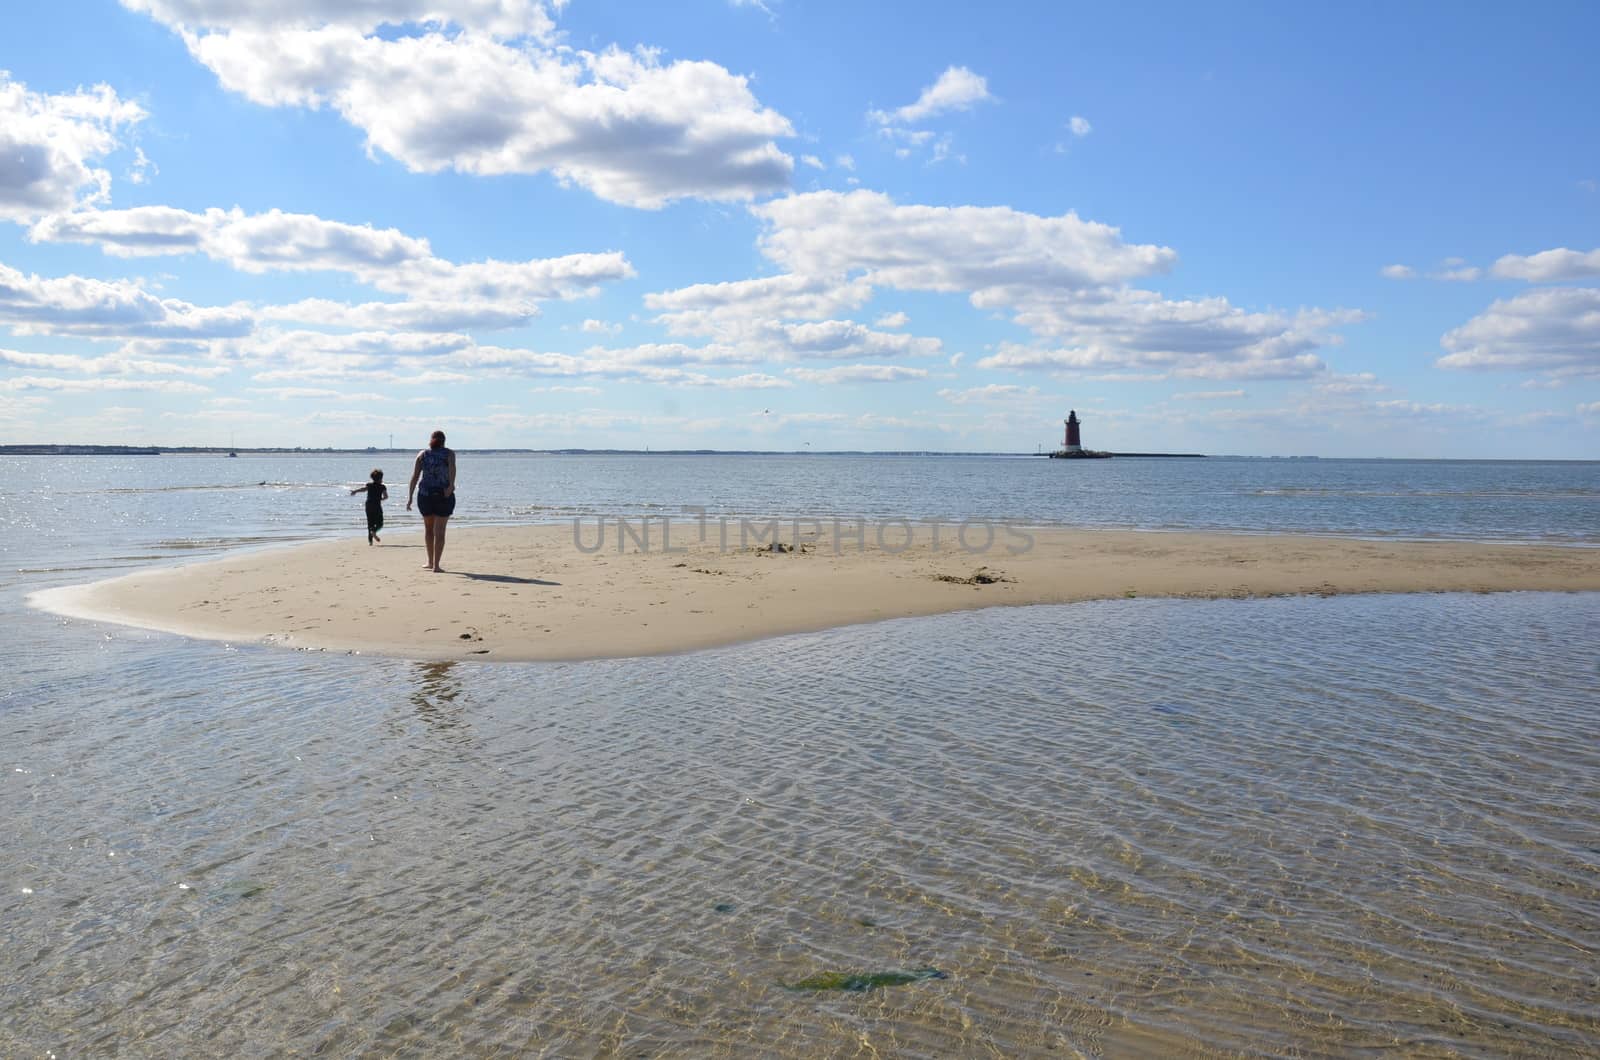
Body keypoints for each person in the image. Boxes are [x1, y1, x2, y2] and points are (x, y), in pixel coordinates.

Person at [407, 429, 456, 572]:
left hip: (425, 495)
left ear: (431, 440)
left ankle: (429, 562)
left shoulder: (422, 454)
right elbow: (452, 469)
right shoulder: (449, 454)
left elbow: (415, 476)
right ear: (444, 441)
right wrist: (451, 487)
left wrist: (409, 497)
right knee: (440, 531)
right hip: (443, 495)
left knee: (429, 530)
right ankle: (436, 565)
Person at [350, 468, 388, 545]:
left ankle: (370, 542)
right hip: (377, 506)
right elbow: (386, 496)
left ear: (372, 478)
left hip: (368, 505)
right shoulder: (382, 487)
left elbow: (363, 489)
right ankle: (374, 531)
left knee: (370, 523)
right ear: (381, 478)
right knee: (380, 523)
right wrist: (381, 499)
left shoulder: (369, 485)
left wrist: (355, 491)